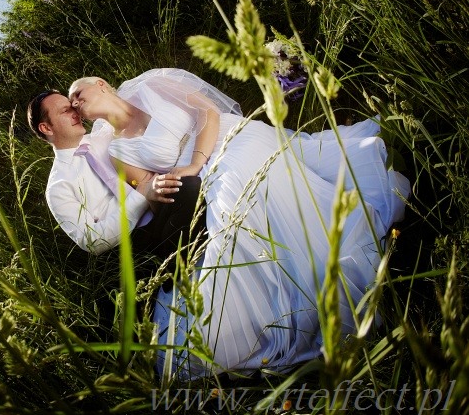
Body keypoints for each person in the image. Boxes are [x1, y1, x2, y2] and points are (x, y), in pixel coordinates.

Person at [68, 69, 411, 380]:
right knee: (228, 216)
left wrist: (196, 162)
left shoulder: (150, 85)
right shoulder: (115, 151)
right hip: (198, 177)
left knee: (238, 187)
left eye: (77, 95)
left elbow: (208, 111)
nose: (75, 105)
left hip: (226, 141)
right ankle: (250, 324)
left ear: (101, 84)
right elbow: (146, 185)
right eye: (71, 105)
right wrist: (153, 188)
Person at [26, 90, 206, 272]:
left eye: (73, 106)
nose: (75, 112)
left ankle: (181, 257)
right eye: (65, 111)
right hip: (133, 244)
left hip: (161, 209)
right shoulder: (58, 187)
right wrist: (141, 196)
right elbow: (92, 242)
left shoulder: (107, 133)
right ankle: (171, 270)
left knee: (189, 186)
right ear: (46, 128)